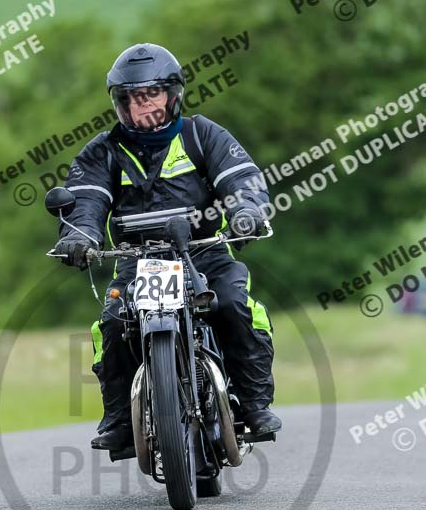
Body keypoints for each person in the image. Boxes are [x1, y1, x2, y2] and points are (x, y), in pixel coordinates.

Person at [54, 43, 282, 451]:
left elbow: (242, 179)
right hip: (137, 262)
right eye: (131, 98)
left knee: (232, 302)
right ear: (119, 104)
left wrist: (247, 211)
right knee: (112, 322)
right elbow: (85, 200)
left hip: (203, 253)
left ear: (172, 95)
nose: (142, 106)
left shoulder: (203, 135)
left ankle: (252, 404)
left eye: (150, 95)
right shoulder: (103, 151)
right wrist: (78, 236)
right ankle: (121, 421)